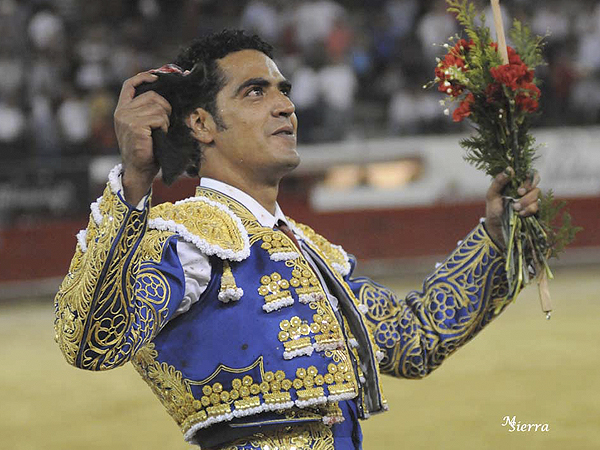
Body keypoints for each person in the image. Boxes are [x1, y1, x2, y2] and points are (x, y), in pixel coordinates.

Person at [54, 30, 541, 449]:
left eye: (282, 92)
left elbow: (411, 342)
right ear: (202, 124)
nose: (285, 105)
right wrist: (135, 183)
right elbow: (91, 343)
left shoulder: (311, 250)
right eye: (254, 92)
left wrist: (496, 241)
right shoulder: (186, 238)